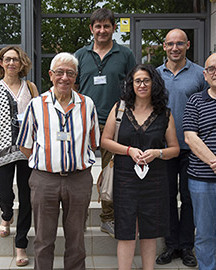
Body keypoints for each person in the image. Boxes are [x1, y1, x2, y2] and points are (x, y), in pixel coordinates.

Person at [17, 52, 100, 270]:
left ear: (76, 77)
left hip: (79, 179)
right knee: (44, 239)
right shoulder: (35, 105)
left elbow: (93, 141)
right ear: (51, 75)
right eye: (60, 72)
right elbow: (25, 145)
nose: (65, 77)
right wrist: (47, 161)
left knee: (76, 240)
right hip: (44, 180)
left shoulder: (87, 104)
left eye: (70, 73)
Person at [101, 64, 179, 270]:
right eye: (137, 81)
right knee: (126, 230)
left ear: (154, 83)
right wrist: (129, 150)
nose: (142, 85)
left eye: (146, 80)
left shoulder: (164, 113)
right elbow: (105, 141)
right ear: (131, 84)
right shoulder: (120, 108)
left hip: (155, 179)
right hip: (125, 178)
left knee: (150, 230)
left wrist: (157, 153)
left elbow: (175, 149)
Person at [74, 7, 136, 238]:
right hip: (84, 123)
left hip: (116, 123)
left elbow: (133, 87)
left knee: (113, 174)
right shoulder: (80, 55)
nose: (102, 30)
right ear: (91, 29)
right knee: (79, 173)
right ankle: (77, 219)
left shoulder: (125, 54)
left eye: (106, 26)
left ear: (113, 28)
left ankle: (108, 218)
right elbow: (73, 88)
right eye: (98, 26)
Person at [156, 28, 208, 267]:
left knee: (188, 198)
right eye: (170, 44)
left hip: (193, 149)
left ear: (188, 45)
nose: (174, 48)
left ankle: (187, 246)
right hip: (164, 148)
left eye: (179, 43)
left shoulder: (200, 74)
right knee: (166, 198)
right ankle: (171, 245)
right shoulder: (155, 75)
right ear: (164, 46)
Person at [0, 46, 38, 267]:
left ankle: (21, 244)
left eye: (15, 59)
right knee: (4, 193)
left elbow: (39, 118)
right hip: (2, 150)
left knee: (27, 198)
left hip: (27, 151)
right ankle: (6, 215)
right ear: (0, 63)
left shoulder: (31, 87)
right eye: (7, 59)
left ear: (21, 63)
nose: (11, 63)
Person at [183, 53, 216, 270]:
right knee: (205, 233)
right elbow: (190, 137)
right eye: (211, 68)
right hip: (202, 181)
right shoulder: (195, 100)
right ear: (205, 75)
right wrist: (215, 162)